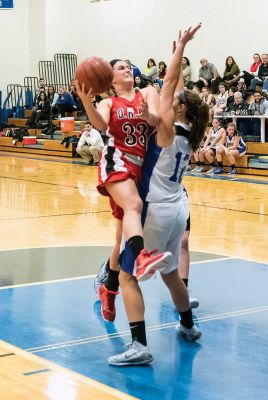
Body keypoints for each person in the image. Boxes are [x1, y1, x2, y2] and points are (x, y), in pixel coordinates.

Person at [96, 24, 207, 366]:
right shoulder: (191, 133)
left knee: (128, 276)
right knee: (171, 274)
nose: (165, 97)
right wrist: (178, 51)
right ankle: (187, 326)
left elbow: (172, 80)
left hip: (157, 210)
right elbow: (176, 87)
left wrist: (181, 50)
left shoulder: (167, 129)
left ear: (180, 110)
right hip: (179, 208)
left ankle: (139, 345)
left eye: (172, 102)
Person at [75, 57, 171, 289]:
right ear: (110, 78)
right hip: (116, 159)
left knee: (121, 231)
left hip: (138, 167)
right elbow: (100, 125)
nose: (127, 69)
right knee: (134, 206)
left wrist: (148, 114)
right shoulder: (108, 103)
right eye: (121, 68)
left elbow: (157, 121)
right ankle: (143, 257)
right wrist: (86, 101)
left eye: (129, 66)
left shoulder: (147, 93)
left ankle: (110, 286)